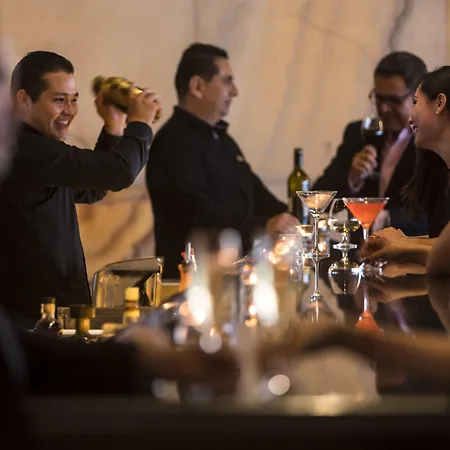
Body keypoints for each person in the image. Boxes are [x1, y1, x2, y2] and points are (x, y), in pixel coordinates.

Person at [0, 51, 161, 326]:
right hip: (36, 326)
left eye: (74, 100)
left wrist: (114, 126)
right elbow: (119, 172)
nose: (70, 110)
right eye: (59, 100)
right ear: (24, 100)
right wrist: (140, 124)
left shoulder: (41, 150)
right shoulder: (27, 150)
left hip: (53, 319)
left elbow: (93, 188)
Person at [146, 43, 298, 279]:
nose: (235, 91)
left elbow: (259, 196)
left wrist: (298, 220)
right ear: (198, 87)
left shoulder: (223, 141)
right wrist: (263, 227)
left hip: (233, 276)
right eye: (227, 81)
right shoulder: (173, 142)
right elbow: (197, 216)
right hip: (190, 282)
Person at [313, 51, 429, 238]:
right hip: (360, 252)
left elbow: (439, 212)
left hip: (411, 252)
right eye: (379, 98)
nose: (383, 108)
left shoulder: (433, 141)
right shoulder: (358, 134)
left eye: (394, 101)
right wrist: (352, 178)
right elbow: (317, 199)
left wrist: (389, 217)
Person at [361, 66, 450, 272]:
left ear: (440, 103)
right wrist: (399, 243)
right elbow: (441, 243)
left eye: (416, 102)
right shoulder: (439, 171)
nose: (410, 117)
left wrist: (402, 246)